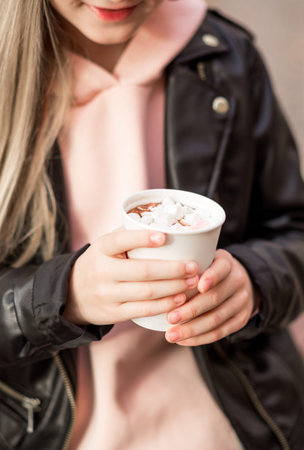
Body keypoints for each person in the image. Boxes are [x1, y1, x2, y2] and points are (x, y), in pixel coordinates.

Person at [0, 0, 304, 449]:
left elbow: (293, 229)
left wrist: (254, 282)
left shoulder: (228, 56)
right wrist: (64, 297)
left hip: (231, 405)